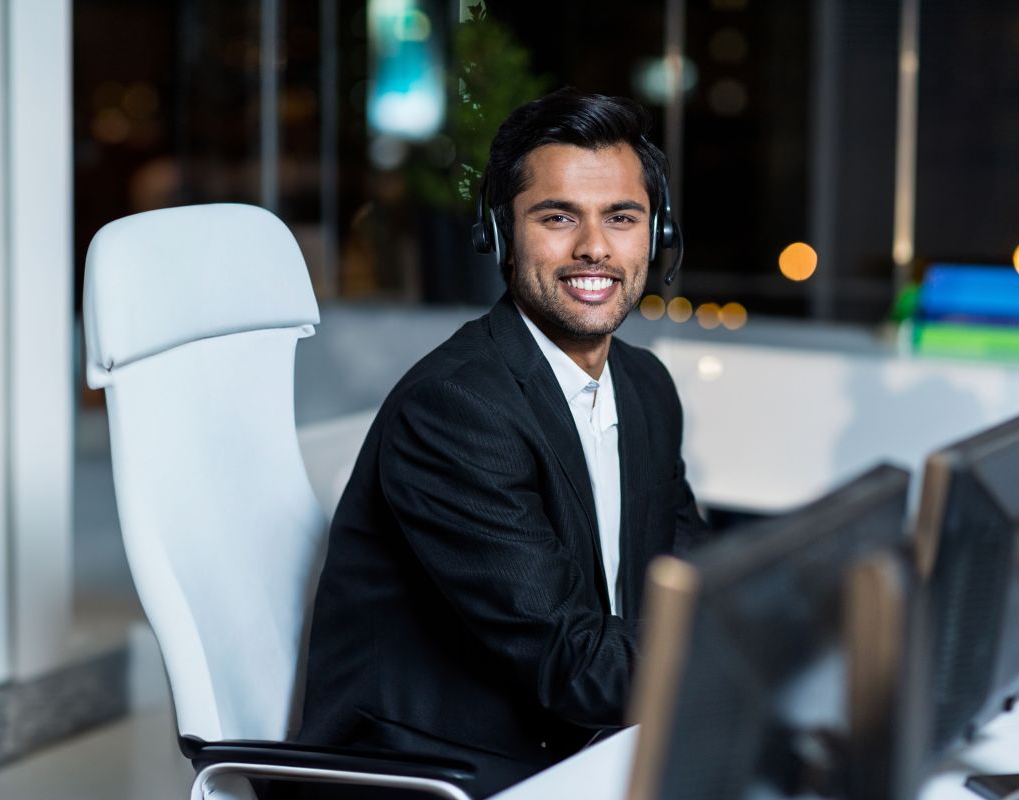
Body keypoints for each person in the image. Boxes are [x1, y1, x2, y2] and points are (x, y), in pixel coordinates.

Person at [299, 89, 711, 798]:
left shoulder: (644, 387)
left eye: (622, 217)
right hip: (433, 772)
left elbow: (692, 573)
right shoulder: (456, 410)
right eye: (557, 218)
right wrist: (754, 654)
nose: (594, 247)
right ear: (500, 233)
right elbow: (575, 665)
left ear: (657, 234)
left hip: (574, 740)